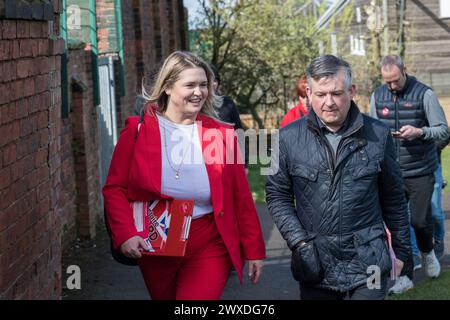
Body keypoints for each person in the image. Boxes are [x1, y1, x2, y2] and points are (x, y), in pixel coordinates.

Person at [102, 51, 265, 300]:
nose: (199, 92)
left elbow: (240, 196)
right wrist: (125, 234)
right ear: (167, 86)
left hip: (209, 240)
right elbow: (115, 189)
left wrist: (254, 250)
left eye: (203, 85)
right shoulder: (137, 129)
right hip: (156, 240)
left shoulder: (221, 135)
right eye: (190, 85)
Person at [266, 55, 410, 300]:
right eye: (321, 94)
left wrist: (403, 253)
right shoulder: (286, 138)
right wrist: (299, 242)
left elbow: (394, 198)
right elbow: (276, 194)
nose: (329, 102)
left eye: (336, 93)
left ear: (352, 91)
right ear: (309, 93)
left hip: (370, 264)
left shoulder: (379, 134)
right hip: (315, 264)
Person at [370, 54, 448, 294]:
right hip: (391, 172)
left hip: (421, 170)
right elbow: (372, 130)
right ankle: (404, 276)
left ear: (405, 71)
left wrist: (420, 132)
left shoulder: (425, 94)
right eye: (387, 82)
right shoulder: (377, 96)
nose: (391, 86)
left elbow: (444, 131)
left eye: (395, 80)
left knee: (419, 220)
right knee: (397, 227)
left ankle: (427, 252)